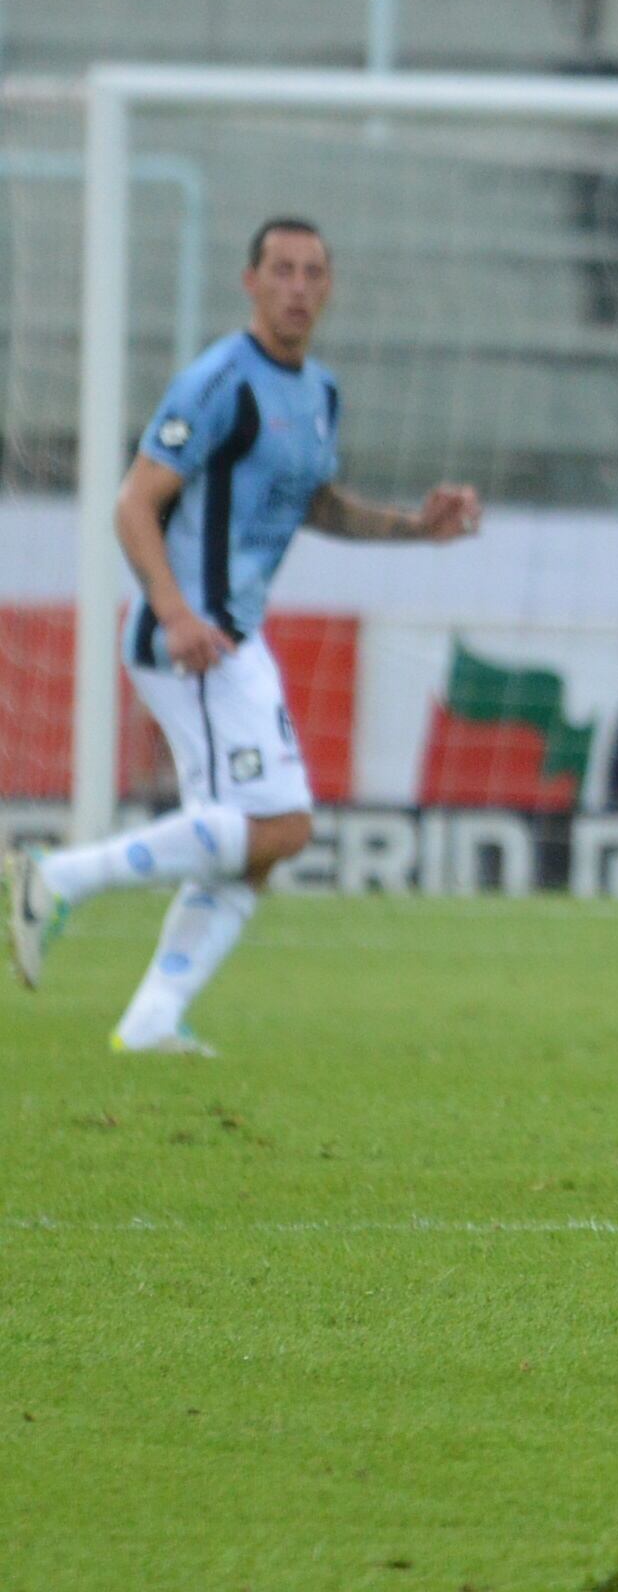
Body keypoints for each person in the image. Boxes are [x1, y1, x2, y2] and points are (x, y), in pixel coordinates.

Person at [9, 218, 482, 1048]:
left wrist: (418, 529)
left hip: (233, 636)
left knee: (253, 848)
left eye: (312, 272)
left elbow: (316, 503)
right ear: (251, 282)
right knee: (285, 825)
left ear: (328, 288)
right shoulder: (219, 381)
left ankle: (153, 1020)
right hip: (188, 637)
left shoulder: (319, 392)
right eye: (282, 270)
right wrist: (176, 610)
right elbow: (133, 503)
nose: (297, 286)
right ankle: (53, 878)